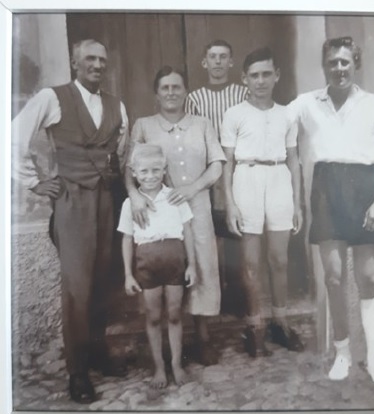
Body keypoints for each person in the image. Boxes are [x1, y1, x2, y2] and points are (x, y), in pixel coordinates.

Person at [12, 39, 129, 403]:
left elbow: (121, 149)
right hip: (72, 201)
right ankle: (77, 371)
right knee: (78, 285)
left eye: (102, 59)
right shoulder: (52, 98)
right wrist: (34, 181)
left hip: (106, 200)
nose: (97, 65)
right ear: (75, 63)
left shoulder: (117, 105)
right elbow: (12, 137)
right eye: (89, 58)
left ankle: (97, 351)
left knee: (103, 278)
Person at [288, 36, 374, 383]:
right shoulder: (306, 103)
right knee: (334, 277)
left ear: (355, 64)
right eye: (332, 62)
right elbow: (273, 121)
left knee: (370, 278)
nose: (338, 68)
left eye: (344, 62)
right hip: (327, 189)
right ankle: (343, 353)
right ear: (324, 66)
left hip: (366, 189)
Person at [126, 66, 226, 366]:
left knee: (202, 265)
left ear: (186, 92)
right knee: (166, 266)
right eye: (165, 88)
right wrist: (134, 196)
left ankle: (203, 337)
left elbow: (217, 164)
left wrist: (193, 187)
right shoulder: (144, 126)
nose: (171, 93)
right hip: (160, 211)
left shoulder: (202, 124)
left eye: (176, 87)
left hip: (197, 206)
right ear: (156, 94)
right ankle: (166, 345)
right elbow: (129, 169)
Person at [221, 47, 304, 357]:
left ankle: (280, 322)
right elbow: (227, 163)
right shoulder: (234, 114)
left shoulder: (287, 114)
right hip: (247, 178)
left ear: (276, 76)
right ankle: (255, 325)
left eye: (266, 74)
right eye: (254, 75)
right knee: (251, 263)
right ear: (244, 78)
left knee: (279, 259)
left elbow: (294, 160)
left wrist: (298, 203)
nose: (260, 81)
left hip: (279, 178)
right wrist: (230, 204)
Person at [118, 144, 196, 388]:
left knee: (174, 314)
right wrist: (128, 275)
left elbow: (188, 231)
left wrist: (192, 265)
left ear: (164, 170)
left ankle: (176, 364)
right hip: (147, 266)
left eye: (155, 170)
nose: (150, 176)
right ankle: (159, 367)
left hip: (174, 263)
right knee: (152, 317)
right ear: (134, 173)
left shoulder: (174, 197)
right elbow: (127, 239)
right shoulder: (130, 204)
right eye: (144, 171)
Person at [185, 39, 249, 316]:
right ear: (205, 62)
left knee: (237, 233)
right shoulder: (195, 98)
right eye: (213, 57)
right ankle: (213, 299)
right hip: (208, 171)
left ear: (231, 62)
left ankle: (237, 296)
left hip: (238, 170)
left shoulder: (243, 92)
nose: (218, 62)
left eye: (223, 57)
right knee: (210, 235)